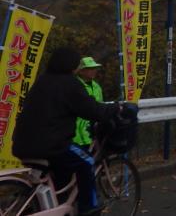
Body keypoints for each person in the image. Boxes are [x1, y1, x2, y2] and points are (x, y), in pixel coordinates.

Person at [13, 48, 119, 216]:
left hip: (22, 144)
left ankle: (50, 206)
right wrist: (114, 108)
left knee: (60, 174)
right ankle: (88, 208)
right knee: (87, 162)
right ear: (72, 66)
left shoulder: (41, 81)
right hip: (52, 145)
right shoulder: (70, 83)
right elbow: (92, 110)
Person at [73, 57, 104, 150]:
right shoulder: (75, 85)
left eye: (95, 68)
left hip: (94, 133)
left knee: (96, 161)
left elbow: (100, 106)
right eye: (90, 69)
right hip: (77, 136)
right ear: (81, 71)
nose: (94, 71)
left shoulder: (96, 86)